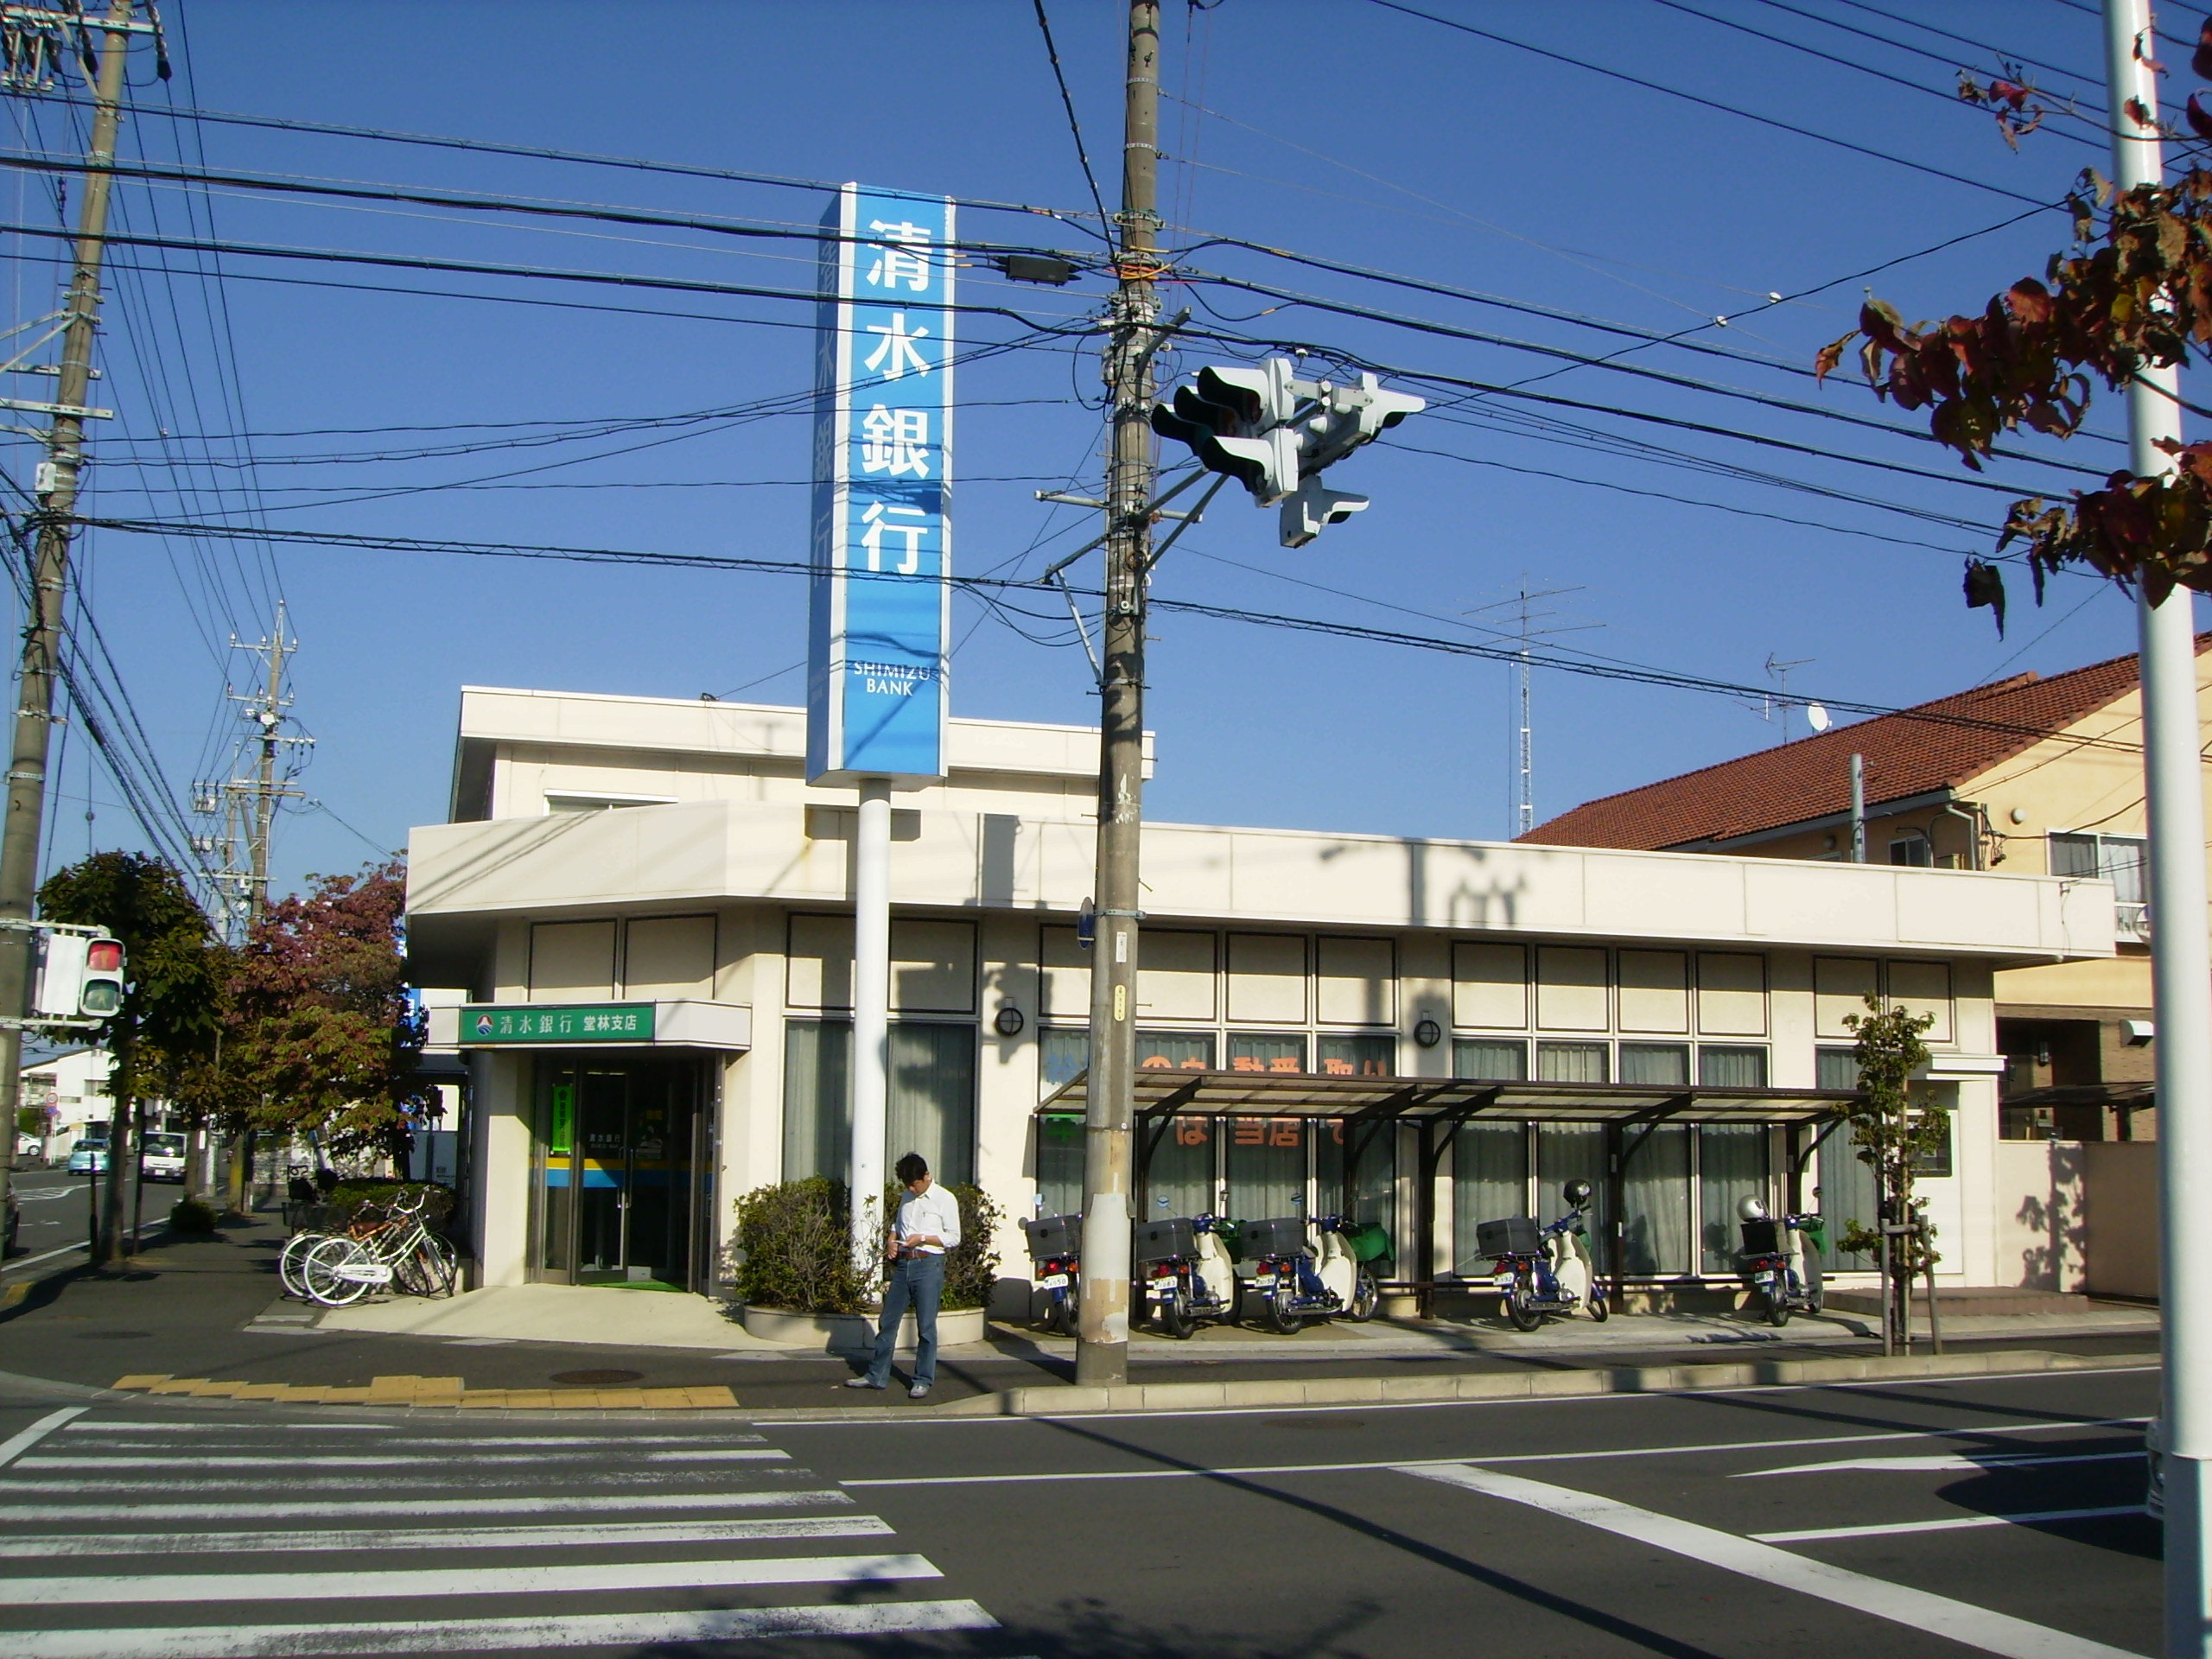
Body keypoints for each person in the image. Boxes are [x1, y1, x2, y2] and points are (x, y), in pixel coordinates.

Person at [846, 1152, 962, 1400]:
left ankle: (922, 1379)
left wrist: (923, 1238)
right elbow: (898, 1224)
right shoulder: (907, 1197)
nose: (912, 1188)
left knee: (926, 1327)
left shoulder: (945, 1199)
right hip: (903, 1265)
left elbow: (953, 1237)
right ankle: (877, 1375)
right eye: (908, 1185)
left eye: (915, 1184)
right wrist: (891, 1240)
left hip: (929, 1264)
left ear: (927, 1176)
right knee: (888, 1321)